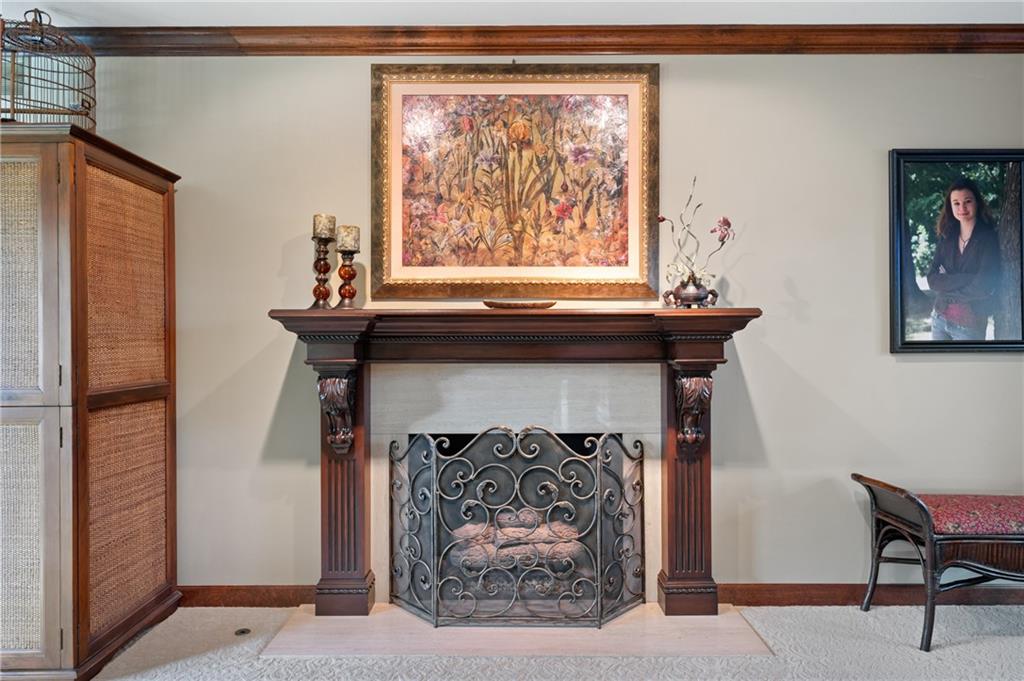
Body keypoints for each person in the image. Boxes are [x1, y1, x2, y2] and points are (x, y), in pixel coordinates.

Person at [926, 177, 1002, 341]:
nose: (962, 208)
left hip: (970, 323)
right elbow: (932, 279)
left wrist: (947, 284)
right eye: (956, 203)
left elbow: (984, 285)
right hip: (939, 318)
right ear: (950, 206)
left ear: (977, 202)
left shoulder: (988, 238)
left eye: (967, 201)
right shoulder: (946, 236)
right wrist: (967, 278)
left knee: (967, 367)